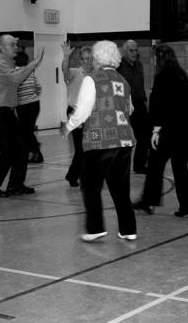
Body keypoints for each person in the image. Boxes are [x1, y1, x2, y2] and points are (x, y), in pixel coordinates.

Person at [62, 40, 137, 242]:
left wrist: (68, 126)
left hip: (99, 139)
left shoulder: (92, 79)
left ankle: (95, 228)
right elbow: (130, 110)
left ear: (96, 58)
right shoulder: (123, 80)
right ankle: (128, 229)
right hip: (124, 140)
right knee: (121, 189)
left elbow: (83, 111)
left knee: (90, 185)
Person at [132, 45, 188, 218]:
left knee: (155, 166)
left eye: (155, 57)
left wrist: (155, 130)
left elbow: (158, 105)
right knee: (180, 168)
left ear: (159, 58)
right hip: (185, 130)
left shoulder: (162, 76)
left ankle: (148, 202)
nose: (153, 60)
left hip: (169, 131)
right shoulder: (180, 74)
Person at [0, 35, 44, 197]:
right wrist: (33, 63)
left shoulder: (9, 62)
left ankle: (16, 185)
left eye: (16, 44)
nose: (16, 47)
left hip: (6, 112)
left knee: (21, 148)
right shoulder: (0, 64)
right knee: (8, 151)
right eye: (12, 45)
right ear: (2, 48)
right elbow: (17, 78)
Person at [61, 43, 93, 187]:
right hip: (75, 112)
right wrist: (66, 57)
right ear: (80, 60)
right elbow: (65, 70)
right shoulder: (75, 73)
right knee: (81, 148)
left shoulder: (95, 75)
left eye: (89, 59)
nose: (87, 62)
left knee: (91, 146)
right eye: (84, 59)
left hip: (90, 114)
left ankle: (84, 174)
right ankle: (73, 175)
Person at [117, 39, 150, 174]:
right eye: (131, 50)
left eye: (136, 50)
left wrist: (145, 103)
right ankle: (120, 167)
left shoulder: (139, 65)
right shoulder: (118, 66)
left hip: (139, 104)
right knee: (125, 139)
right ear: (125, 51)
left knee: (145, 136)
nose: (134, 53)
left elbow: (141, 86)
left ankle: (139, 166)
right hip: (124, 105)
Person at [14, 51, 44, 163]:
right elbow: (39, 88)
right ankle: (37, 154)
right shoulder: (30, 72)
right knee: (27, 131)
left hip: (24, 106)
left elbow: (13, 90)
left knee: (25, 131)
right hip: (35, 104)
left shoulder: (15, 73)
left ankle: (34, 148)